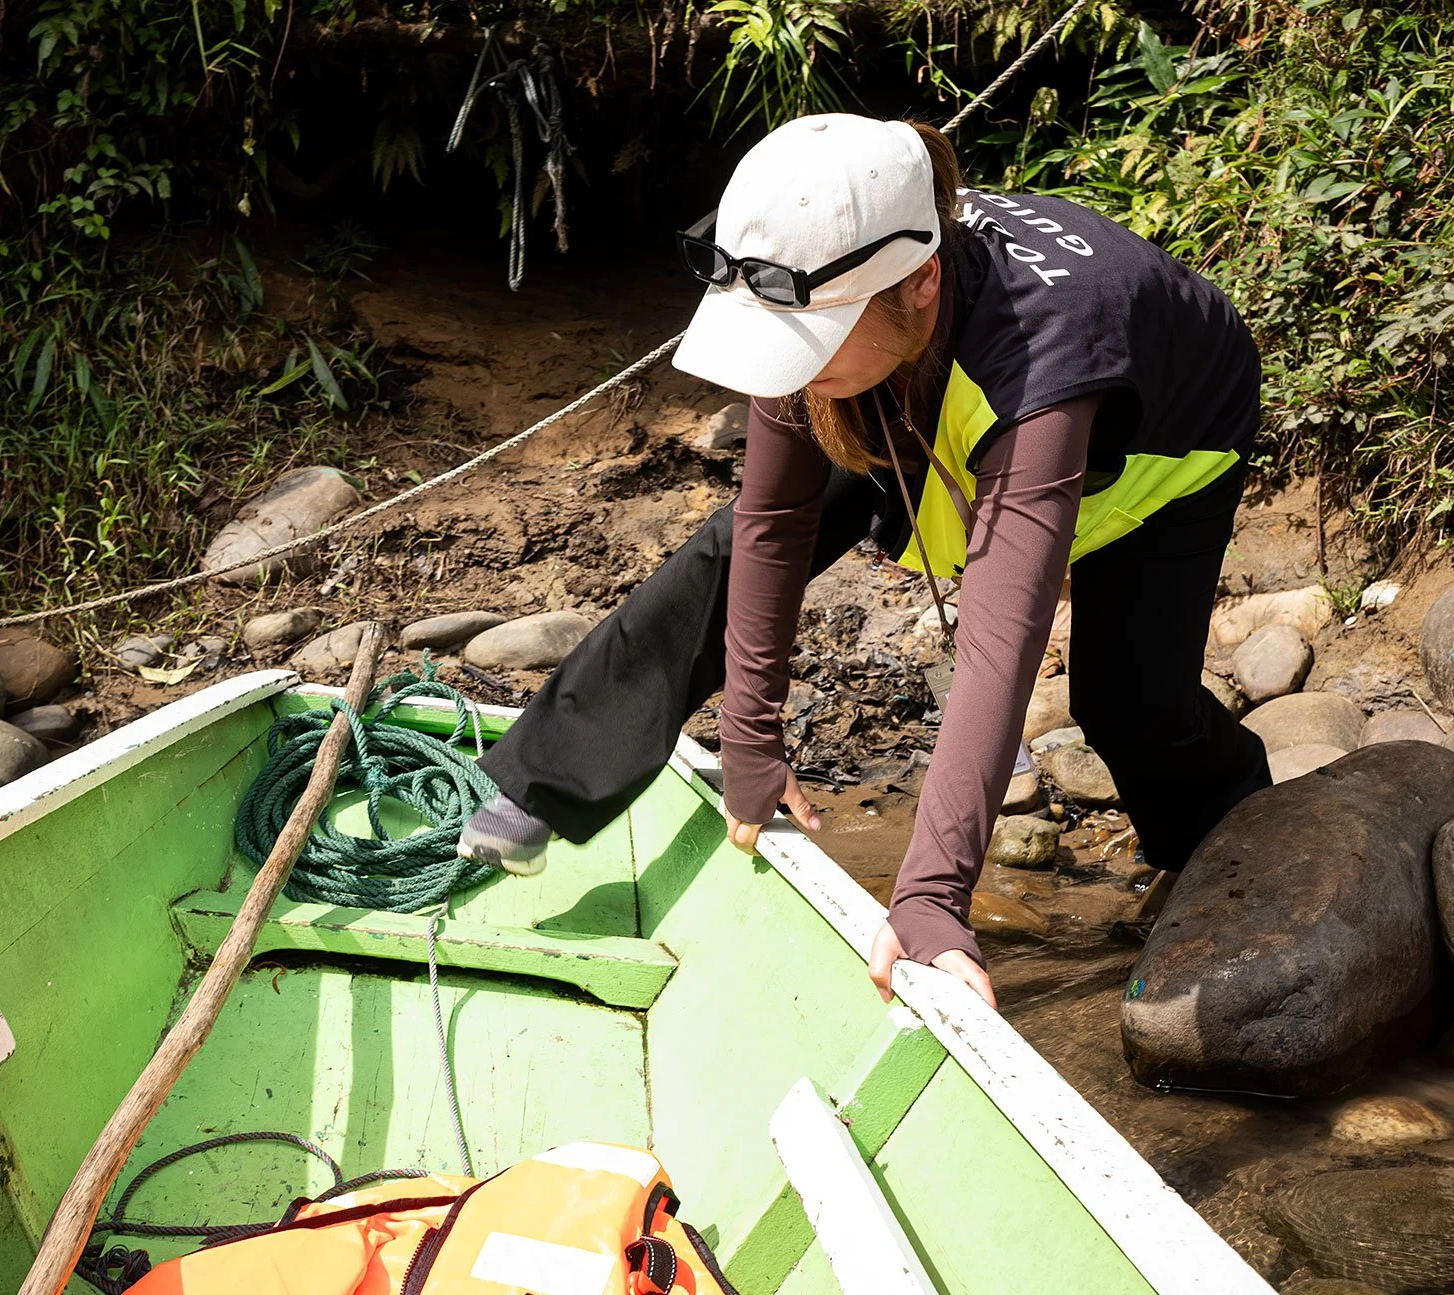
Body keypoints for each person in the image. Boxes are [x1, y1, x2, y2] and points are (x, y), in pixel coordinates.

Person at [456, 113, 1271, 1008]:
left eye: (803, 351)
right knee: (722, 549)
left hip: (1158, 445)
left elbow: (999, 643)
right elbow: (771, 521)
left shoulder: (1045, 361)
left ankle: (1231, 835)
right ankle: (545, 777)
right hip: (912, 384)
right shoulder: (822, 307)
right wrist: (750, 736)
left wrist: (927, 899)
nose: (784, 375)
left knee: (1127, 702)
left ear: (918, 282)